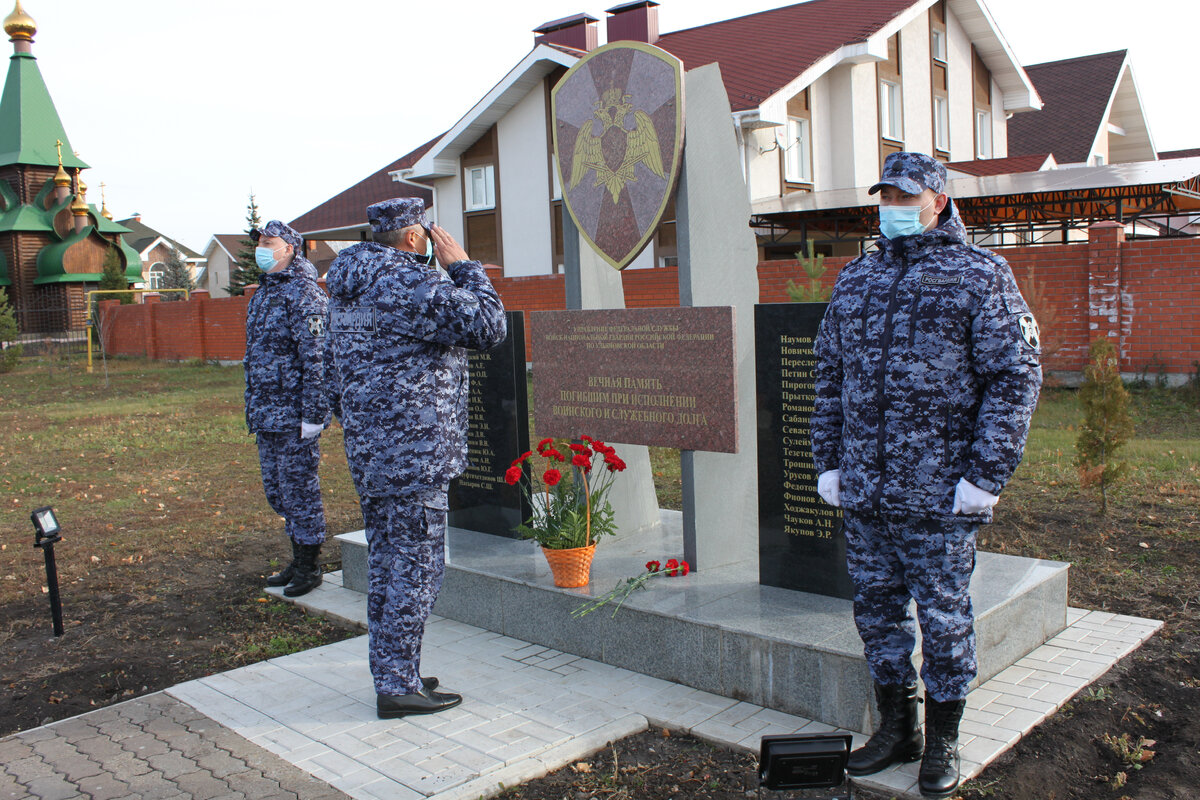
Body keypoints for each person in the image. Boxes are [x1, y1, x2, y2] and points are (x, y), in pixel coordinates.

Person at [811, 152, 1042, 798]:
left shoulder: (979, 277)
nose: (893, 205)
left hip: (939, 497)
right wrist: (827, 460)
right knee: (878, 617)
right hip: (868, 494)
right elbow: (829, 375)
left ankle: (943, 739)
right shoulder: (857, 280)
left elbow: (1016, 376)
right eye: (886, 194)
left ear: (939, 200)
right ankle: (898, 728)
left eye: (906, 194)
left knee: (944, 622)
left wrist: (984, 477)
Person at [324, 197, 506, 719]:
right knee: (415, 571)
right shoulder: (409, 281)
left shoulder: (348, 287)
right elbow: (489, 327)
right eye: (428, 232)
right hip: (415, 456)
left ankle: (395, 669)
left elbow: (335, 370)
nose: (431, 239)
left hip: (373, 452)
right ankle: (398, 687)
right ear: (411, 238)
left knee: (387, 566)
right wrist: (464, 267)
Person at [243, 220, 331, 598]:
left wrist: (313, 415)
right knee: (277, 491)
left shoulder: (304, 294)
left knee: (299, 491)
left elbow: (317, 359)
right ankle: (297, 558)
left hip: (294, 415)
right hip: (267, 412)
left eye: (269, 242)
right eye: (259, 242)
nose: (262, 247)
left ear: (290, 249)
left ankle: (310, 566)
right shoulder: (263, 293)